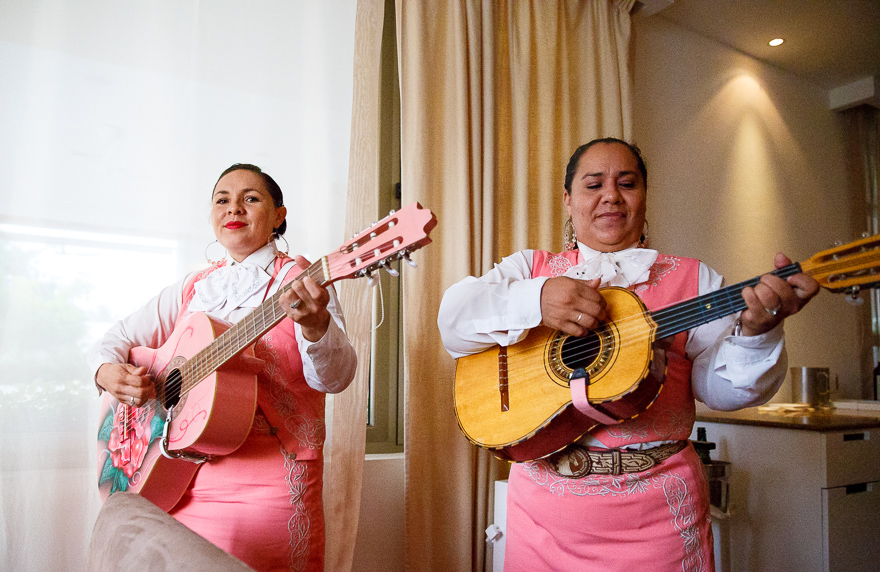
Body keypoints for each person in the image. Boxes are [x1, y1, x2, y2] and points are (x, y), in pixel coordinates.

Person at [437, 138, 819, 571]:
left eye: (627, 183)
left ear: (644, 195)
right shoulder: (530, 269)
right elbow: (453, 319)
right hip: (541, 521)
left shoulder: (695, 279)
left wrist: (756, 333)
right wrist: (537, 299)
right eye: (593, 185)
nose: (611, 196)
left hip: (659, 522)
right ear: (567, 200)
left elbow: (719, 390)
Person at [88, 163, 357, 572]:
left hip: (268, 484)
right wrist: (106, 372)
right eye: (222, 200)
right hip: (177, 476)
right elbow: (115, 338)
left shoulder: (303, 282)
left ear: (279, 216)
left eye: (251, 198)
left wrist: (316, 325)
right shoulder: (194, 287)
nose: (234, 208)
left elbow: (335, 379)